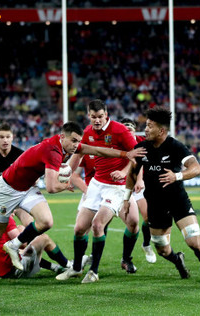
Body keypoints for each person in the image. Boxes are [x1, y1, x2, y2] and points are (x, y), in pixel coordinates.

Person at [0, 121, 145, 285]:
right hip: (6, 189)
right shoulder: (53, 151)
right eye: (73, 141)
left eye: (78, 141)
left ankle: (13, 245)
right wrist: (65, 185)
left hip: (26, 188)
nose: (76, 145)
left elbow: (97, 150)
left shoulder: (68, 145)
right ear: (62, 137)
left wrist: (125, 153)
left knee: (46, 222)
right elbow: (51, 187)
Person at [125, 106, 200, 282]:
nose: (145, 129)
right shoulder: (142, 148)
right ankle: (178, 261)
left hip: (177, 201)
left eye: (149, 126)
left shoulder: (175, 146)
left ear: (161, 130)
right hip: (155, 204)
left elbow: (196, 168)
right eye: (146, 125)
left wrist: (177, 176)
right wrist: (125, 199)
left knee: (194, 242)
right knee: (162, 249)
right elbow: (131, 174)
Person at [57, 100, 141, 284]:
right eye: (93, 117)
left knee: (97, 224)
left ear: (106, 115)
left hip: (116, 187)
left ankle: (93, 271)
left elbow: (137, 154)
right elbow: (78, 153)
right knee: (79, 229)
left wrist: (124, 172)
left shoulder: (120, 131)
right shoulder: (87, 132)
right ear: (89, 115)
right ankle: (77, 269)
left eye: (100, 117)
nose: (97, 120)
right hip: (96, 184)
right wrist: (67, 174)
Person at [0, 211, 87, 280]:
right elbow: (22, 244)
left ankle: (56, 267)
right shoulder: (5, 219)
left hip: (0, 274)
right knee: (43, 239)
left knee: (20, 231)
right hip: (14, 271)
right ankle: (69, 266)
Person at [120, 117, 156, 264]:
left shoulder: (142, 141)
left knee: (148, 218)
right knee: (104, 221)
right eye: (125, 127)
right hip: (121, 186)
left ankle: (146, 244)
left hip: (138, 184)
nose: (128, 129)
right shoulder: (115, 143)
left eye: (131, 127)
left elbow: (142, 161)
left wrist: (141, 179)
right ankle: (93, 254)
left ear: (135, 130)